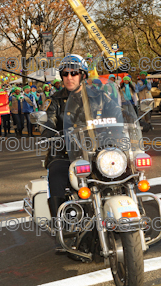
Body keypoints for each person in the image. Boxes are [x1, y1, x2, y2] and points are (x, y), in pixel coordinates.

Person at [42, 54, 125, 218]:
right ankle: (62, 221)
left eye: (73, 73)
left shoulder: (100, 96)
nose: (69, 77)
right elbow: (48, 121)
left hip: (99, 150)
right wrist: (50, 130)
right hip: (66, 153)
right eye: (65, 74)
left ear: (83, 75)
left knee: (126, 169)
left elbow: (118, 113)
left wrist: (128, 124)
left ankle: (132, 206)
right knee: (56, 173)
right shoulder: (55, 101)